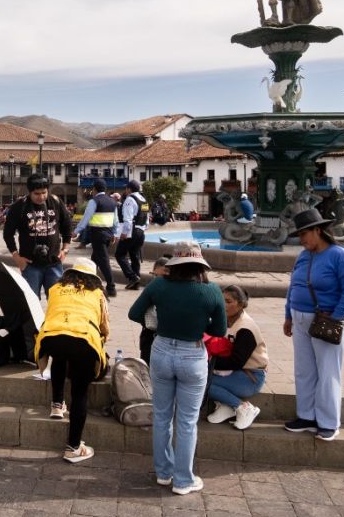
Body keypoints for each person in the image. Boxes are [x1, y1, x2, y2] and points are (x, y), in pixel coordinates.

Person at [128, 242, 225, 495]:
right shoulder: (211, 291)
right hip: (192, 355)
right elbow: (219, 331)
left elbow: (134, 313)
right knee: (187, 421)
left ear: (175, 264)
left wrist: (158, 321)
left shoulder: (159, 285)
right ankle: (183, 480)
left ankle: (163, 473)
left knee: (161, 415)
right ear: (199, 265)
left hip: (160, 350)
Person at [283, 208, 344, 441]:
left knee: (328, 373)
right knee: (304, 370)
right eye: (299, 235)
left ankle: (328, 422)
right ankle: (306, 416)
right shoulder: (303, 255)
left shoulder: (340, 256)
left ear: (318, 230)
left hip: (326, 321)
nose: (302, 239)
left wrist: (334, 319)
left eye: (304, 234)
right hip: (300, 319)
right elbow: (293, 286)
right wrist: (288, 315)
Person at [34, 258, 110, 464]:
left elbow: (53, 314)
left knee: (60, 353)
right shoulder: (97, 293)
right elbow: (104, 327)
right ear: (93, 277)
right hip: (84, 340)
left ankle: (57, 405)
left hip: (51, 337)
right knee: (79, 392)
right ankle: (74, 447)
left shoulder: (56, 288)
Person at [3, 173, 74, 300]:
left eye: (44, 192)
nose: (41, 197)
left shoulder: (56, 202)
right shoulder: (19, 207)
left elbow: (67, 226)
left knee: (57, 302)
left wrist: (65, 250)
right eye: (37, 194)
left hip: (54, 263)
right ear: (29, 192)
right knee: (31, 303)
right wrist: (16, 257)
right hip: (30, 265)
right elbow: (8, 234)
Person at [207, 285, 268, 430]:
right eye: (222, 301)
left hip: (251, 377)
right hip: (236, 372)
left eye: (228, 302)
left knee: (201, 383)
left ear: (240, 304)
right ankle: (227, 405)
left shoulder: (246, 328)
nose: (223, 305)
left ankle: (243, 408)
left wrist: (209, 362)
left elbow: (236, 362)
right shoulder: (227, 320)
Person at [74, 179, 120, 298]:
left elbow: (86, 218)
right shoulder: (112, 202)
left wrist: (76, 231)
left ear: (94, 189)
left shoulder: (94, 201)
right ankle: (90, 282)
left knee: (104, 261)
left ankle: (111, 287)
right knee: (95, 259)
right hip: (108, 235)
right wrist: (115, 234)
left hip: (97, 235)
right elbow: (116, 221)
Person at [136, 257, 170, 364]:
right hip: (149, 336)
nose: (158, 280)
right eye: (156, 276)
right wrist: (147, 321)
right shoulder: (150, 289)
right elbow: (135, 313)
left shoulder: (172, 291)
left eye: (163, 276)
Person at [115, 180, 149, 290]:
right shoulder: (144, 200)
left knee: (119, 254)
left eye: (126, 188)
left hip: (132, 231)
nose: (125, 190)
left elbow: (128, 219)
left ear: (129, 189)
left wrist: (124, 233)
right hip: (141, 231)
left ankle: (132, 277)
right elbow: (147, 220)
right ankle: (136, 283)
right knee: (135, 256)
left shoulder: (130, 199)